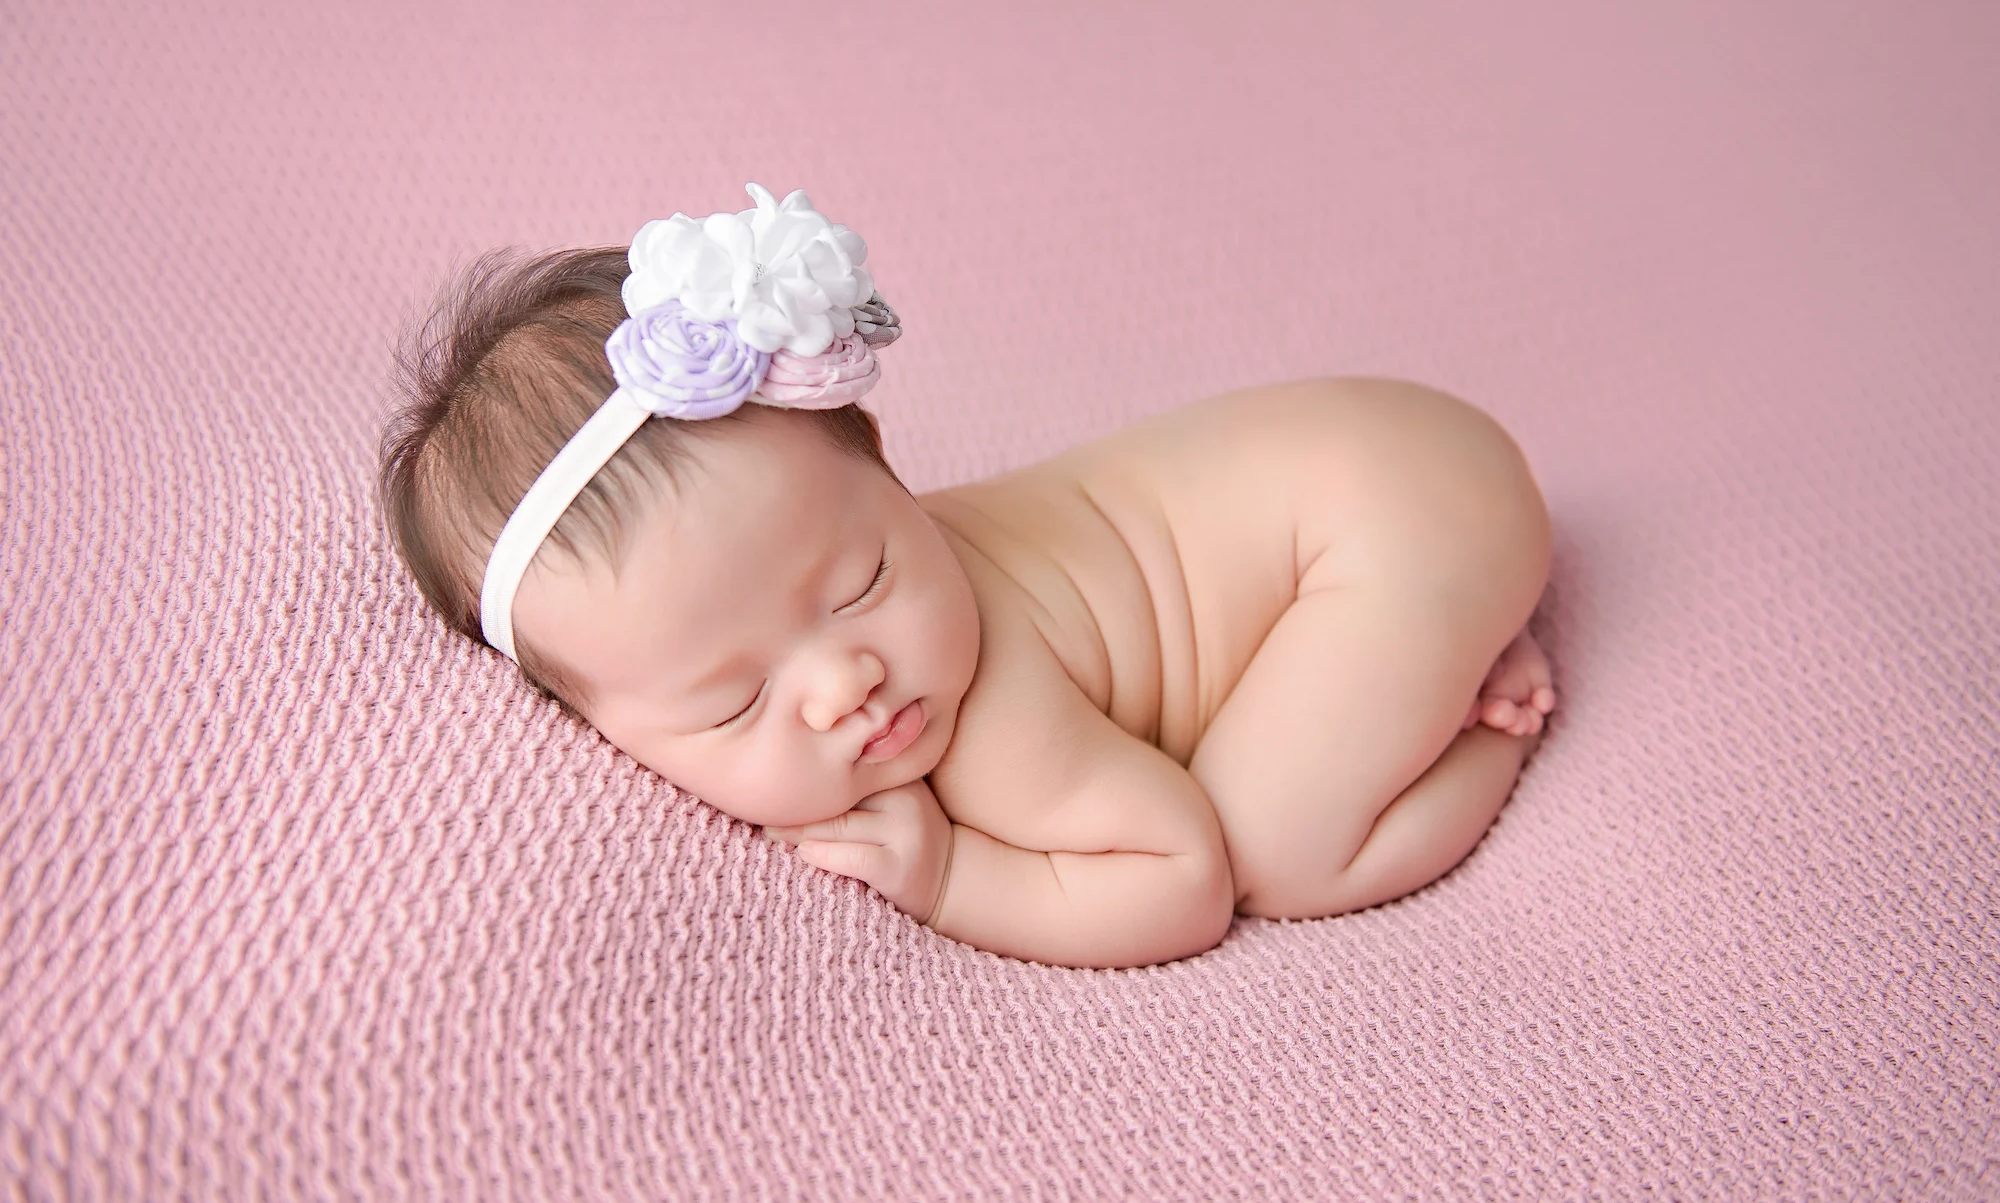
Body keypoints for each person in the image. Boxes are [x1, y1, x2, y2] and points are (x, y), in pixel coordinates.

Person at [377, 183, 1557, 969]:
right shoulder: (827, 570)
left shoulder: (995, 720)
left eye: (863, 582)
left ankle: (1482, 708)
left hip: (1394, 521)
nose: (845, 680)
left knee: (1276, 849)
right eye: (735, 699)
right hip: (1374, 450)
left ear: (889, 472)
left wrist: (952, 877)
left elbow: (1184, 875)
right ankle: (1427, 649)